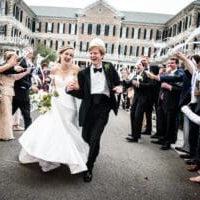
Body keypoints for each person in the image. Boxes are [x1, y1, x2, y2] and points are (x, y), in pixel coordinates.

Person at [18, 45, 89, 174]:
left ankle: (68, 156)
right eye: (66, 54)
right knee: (53, 130)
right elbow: (51, 86)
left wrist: (76, 87)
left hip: (69, 103)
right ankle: (52, 156)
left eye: (71, 55)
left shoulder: (76, 69)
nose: (68, 57)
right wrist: (47, 97)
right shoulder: (54, 69)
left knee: (68, 130)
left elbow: (80, 87)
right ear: (61, 54)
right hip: (56, 102)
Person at [66, 38, 122, 182]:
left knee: (95, 137)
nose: (92, 55)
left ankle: (89, 167)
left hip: (103, 107)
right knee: (85, 137)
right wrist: (69, 90)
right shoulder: (83, 73)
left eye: (95, 53)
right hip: (88, 107)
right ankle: (88, 155)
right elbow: (81, 93)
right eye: (91, 53)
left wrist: (120, 88)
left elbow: (118, 83)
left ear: (102, 55)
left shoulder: (109, 67)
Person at [0, 51, 31, 140]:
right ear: (8, 59)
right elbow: (9, 71)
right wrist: (16, 69)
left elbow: (15, 77)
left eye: (16, 59)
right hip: (4, 92)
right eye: (14, 58)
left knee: (3, 113)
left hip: (10, 92)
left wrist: (26, 72)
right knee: (6, 113)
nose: (16, 60)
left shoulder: (10, 68)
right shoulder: (4, 67)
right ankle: (4, 135)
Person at [12, 47, 39, 130]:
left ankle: (28, 131)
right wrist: (30, 86)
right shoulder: (21, 62)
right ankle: (29, 131)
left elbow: (27, 76)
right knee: (26, 114)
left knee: (13, 112)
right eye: (30, 53)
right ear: (25, 53)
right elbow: (19, 79)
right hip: (19, 91)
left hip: (23, 92)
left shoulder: (29, 62)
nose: (32, 55)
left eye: (32, 53)